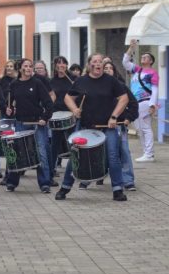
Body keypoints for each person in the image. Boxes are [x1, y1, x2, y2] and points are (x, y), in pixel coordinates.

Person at [55, 53, 129, 201]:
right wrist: (75, 110)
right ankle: (65, 187)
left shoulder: (111, 81)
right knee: (75, 157)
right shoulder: (81, 81)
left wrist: (114, 116)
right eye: (95, 62)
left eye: (100, 62)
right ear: (89, 64)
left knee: (113, 156)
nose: (98, 64)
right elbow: (68, 97)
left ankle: (117, 190)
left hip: (108, 127)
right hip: (86, 127)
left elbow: (124, 98)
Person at [79, 62, 138, 191]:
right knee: (93, 153)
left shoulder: (121, 87)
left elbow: (133, 104)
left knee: (123, 152)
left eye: (111, 68)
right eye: (106, 68)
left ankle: (127, 180)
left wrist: (128, 118)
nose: (108, 70)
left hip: (117, 126)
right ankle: (88, 179)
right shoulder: (93, 87)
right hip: (96, 126)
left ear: (114, 71)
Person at [5, 58, 54, 193]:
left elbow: (49, 103)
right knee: (19, 153)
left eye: (30, 66)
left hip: (37, 124)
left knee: (41, 153)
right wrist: (8, 110)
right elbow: (9, 104)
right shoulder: (14, 84)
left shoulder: (37, 83)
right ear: (20, 69)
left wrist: (44, 118)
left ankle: (45, 183)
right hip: (20, 123)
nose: (28, 68)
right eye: (25, 66)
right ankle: (12, 182)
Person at [122, 39, 159, 162]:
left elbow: (154, 89)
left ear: (151, 61)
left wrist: (152, 104)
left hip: (145, 101)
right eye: (142, 56)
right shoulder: (137, 70)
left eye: (146, 57)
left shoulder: (153, 73)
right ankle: (147, 153)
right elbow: (125, 62)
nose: (143, 57)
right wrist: (131, 48)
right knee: (139, 128)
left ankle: (149, 154)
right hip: (136, 102)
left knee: (145, 128)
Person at [49, 56, 76, 180]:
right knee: (55, 144)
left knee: (73, 143)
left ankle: (76, 168)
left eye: (64, 63)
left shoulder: (73, 79)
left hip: (70, 114)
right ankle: (51, 169)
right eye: (58, 63)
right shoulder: (51, 81)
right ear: (55, 66)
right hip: (56, 115)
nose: (61, 65)